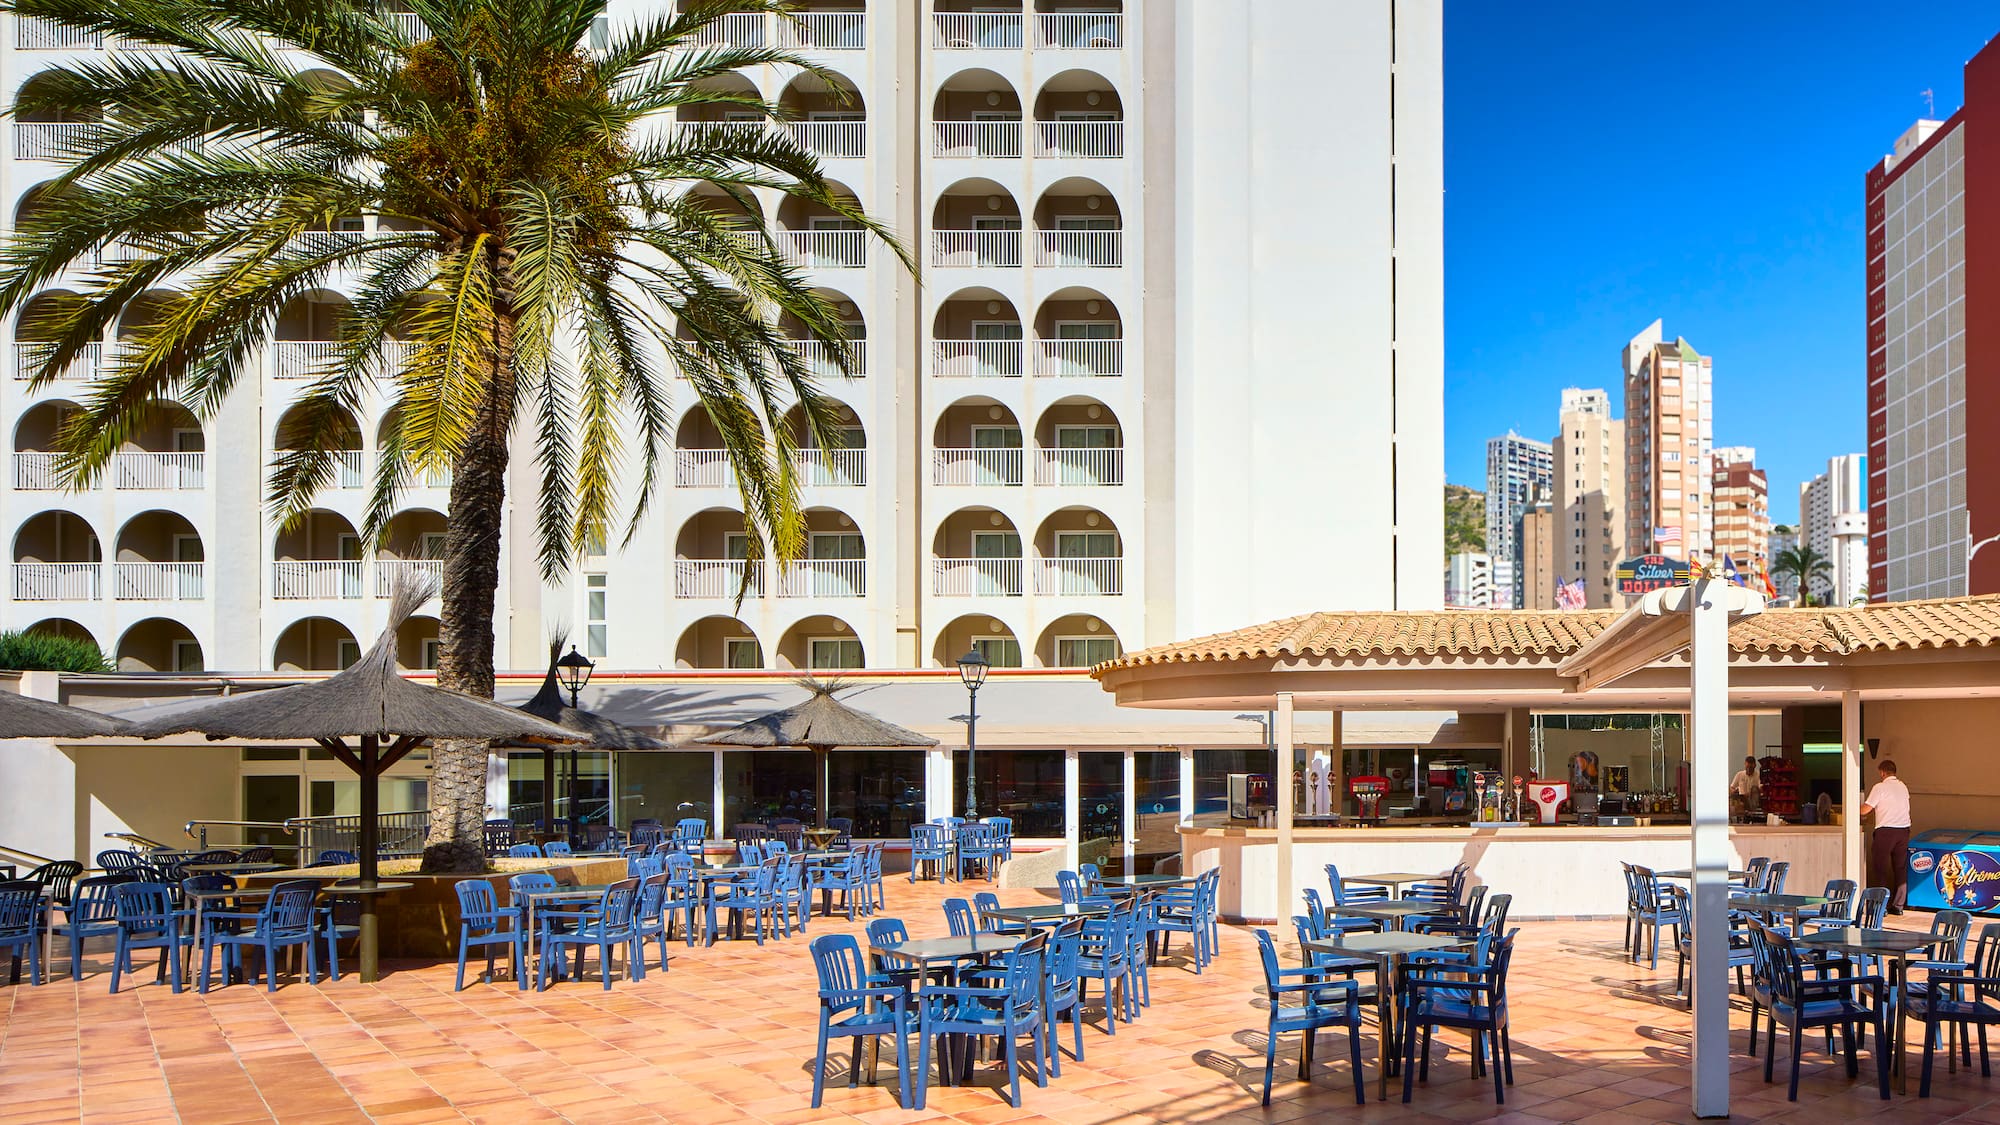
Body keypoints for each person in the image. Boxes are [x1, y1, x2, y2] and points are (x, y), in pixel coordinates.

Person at [1861, 758, 1913, 914]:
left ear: (1882, 772)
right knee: (1900, 868)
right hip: (1903, 830)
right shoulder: (1903, 786)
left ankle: (1881, 906)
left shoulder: (1880, 787)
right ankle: (1898, 905)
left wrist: (1853, 808)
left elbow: (1865, 810)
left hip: (1886, 831)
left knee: (1881, 868)